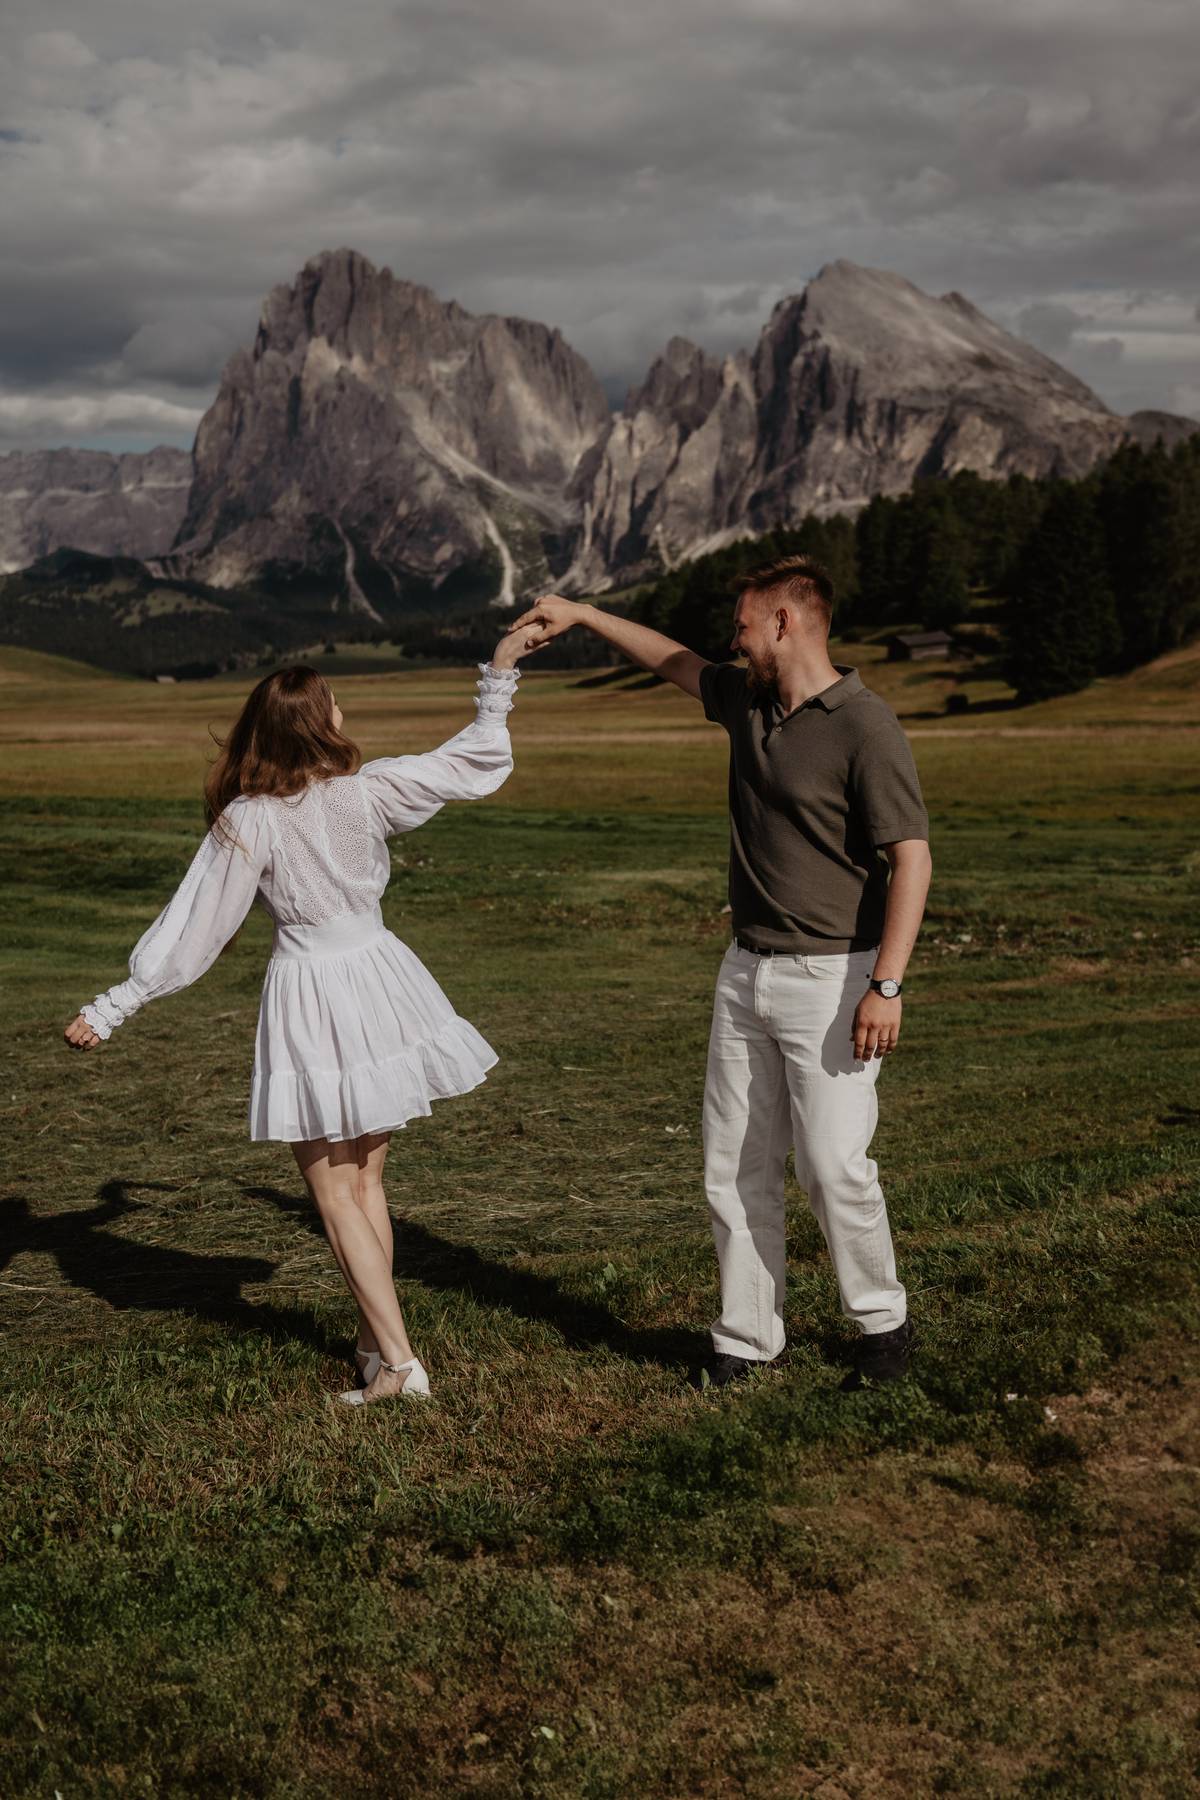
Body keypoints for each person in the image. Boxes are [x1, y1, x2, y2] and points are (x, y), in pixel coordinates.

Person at [63, 627, 549, 1405]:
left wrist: (115, 1004)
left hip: (316, 992)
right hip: (381, 978)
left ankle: (397, 1364)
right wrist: (498, 674)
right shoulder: (372, 789)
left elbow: (195, 928)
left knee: (334, 1194)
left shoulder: (251, 819)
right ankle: (371, 1343)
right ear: (321, 722)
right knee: (367, 1185)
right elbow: (473, 760)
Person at [507, 557, 932, 1389]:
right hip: (745, 973)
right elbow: (670, 660)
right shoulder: (747, 702)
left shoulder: (864, 725)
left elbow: (911, 860)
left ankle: (884, 1330)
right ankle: (744, 1341)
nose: (731, 641)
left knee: (832, 1165)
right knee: (734, 1166)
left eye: (743, 626)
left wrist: (887, 984)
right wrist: (586, 617)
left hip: (836, 979)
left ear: (786, 622)